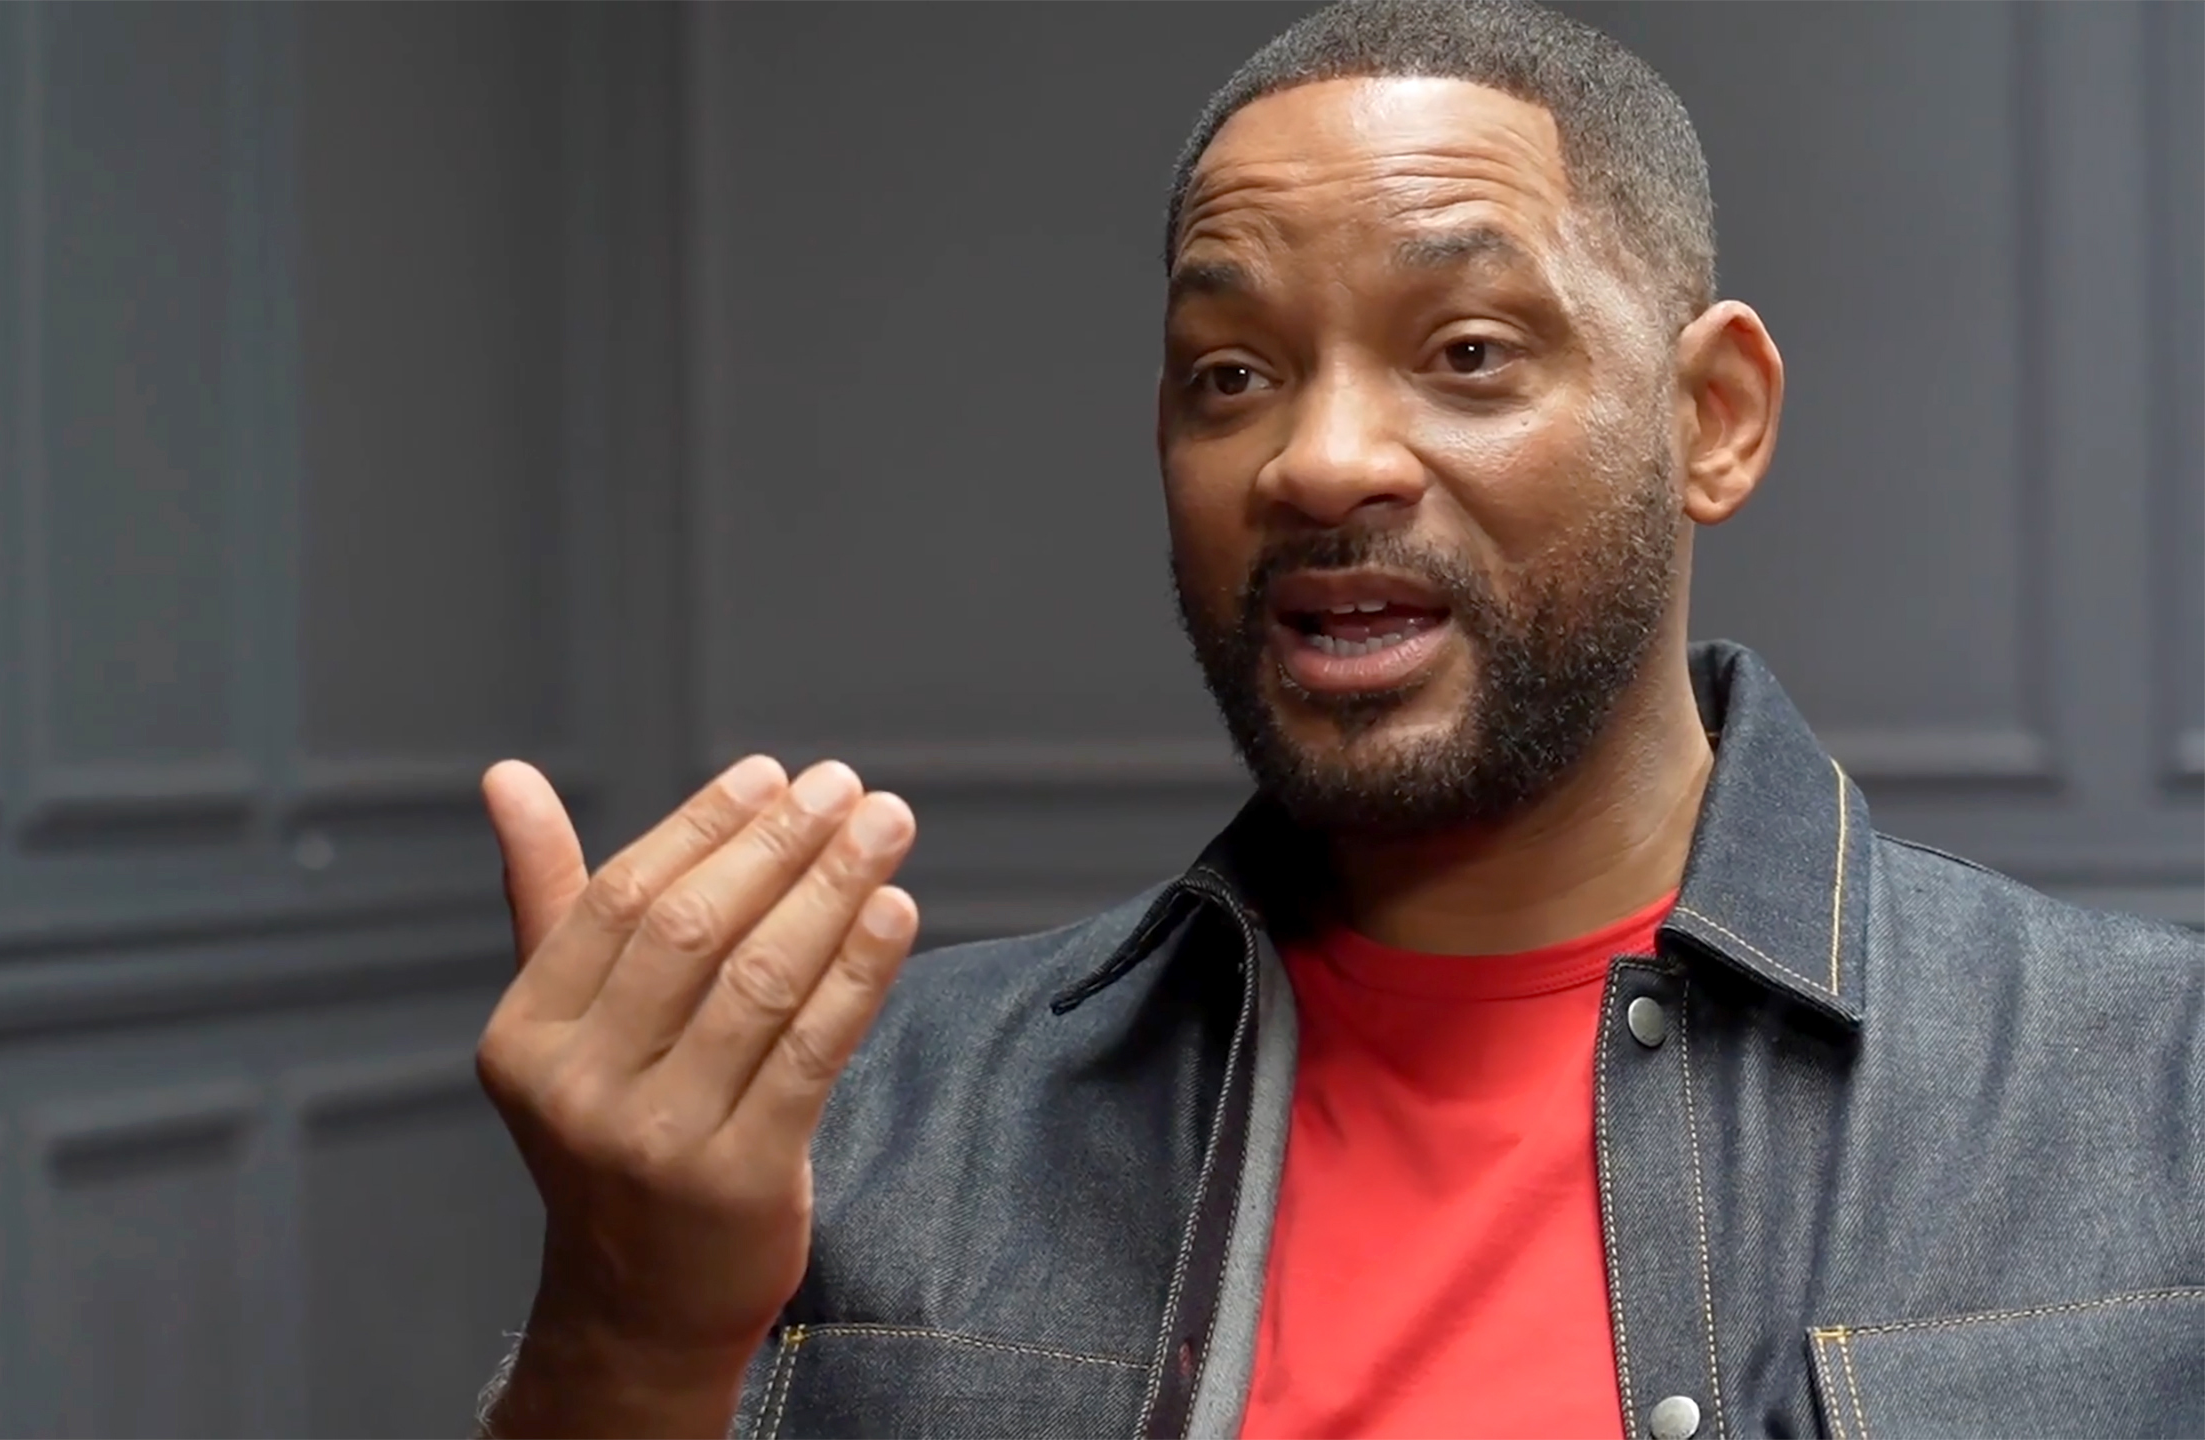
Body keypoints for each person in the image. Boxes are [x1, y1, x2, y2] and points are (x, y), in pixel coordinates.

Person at [468, 1, 2205, 1436]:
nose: (1317, 461)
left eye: (1467, 352)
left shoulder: (2155, 1095)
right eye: (1231, 375)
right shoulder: (862, 1126)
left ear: (1714, 418)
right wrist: (629, 1340)